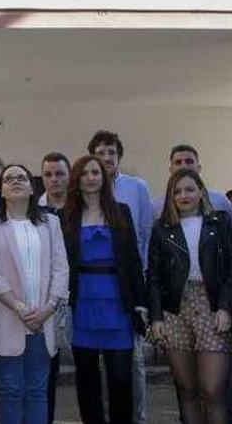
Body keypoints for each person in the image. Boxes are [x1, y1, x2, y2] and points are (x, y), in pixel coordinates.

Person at [148, 143, 232, 424]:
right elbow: (153, 275)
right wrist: (156, 317)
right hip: (175, 310)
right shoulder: (162, 228)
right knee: (187, 390)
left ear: (201, 190)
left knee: (213, 389)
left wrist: (226, 307)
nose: (183, 195)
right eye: (177, 191)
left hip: (212, 305)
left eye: (189, 189)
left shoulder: (219, 221)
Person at [60, 155, 146, 424]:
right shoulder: (65, 216)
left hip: (118, 302)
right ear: (77, 179)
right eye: (84, 173)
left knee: (121, 377)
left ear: (104, 177)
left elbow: (133, 259)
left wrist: (140, 303)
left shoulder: (122, 212)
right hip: (82, 301)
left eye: (95, 172)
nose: (91, 177)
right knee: (87, 379)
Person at [0, 164, 69, 424]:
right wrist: (19, 308)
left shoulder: (50, 223)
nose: (15, 181)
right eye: (8, 178)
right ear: (1, 190)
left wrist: (49, 307)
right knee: (11, 392)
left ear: (32, 188)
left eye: (21, 177)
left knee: (37, 392)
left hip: (42, 322)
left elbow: (61, 267)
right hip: (7, 317)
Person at [86, 131, 151, 423]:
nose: (107, 157)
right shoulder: (83, 192)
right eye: (101, 152)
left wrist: (142, 291)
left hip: (128, 288)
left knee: (131, 363)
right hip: (92, 293)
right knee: (95, 367)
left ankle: (135, 417)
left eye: (112, 152)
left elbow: (145, 235)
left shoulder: (137, 188)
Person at [35, 152, 70, 424]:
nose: (54, 179)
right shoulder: (34, 212)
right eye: (48, 174)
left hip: (78, 298)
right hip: (47, 302)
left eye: (59, 173)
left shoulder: (81, 209)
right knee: (47, 371)